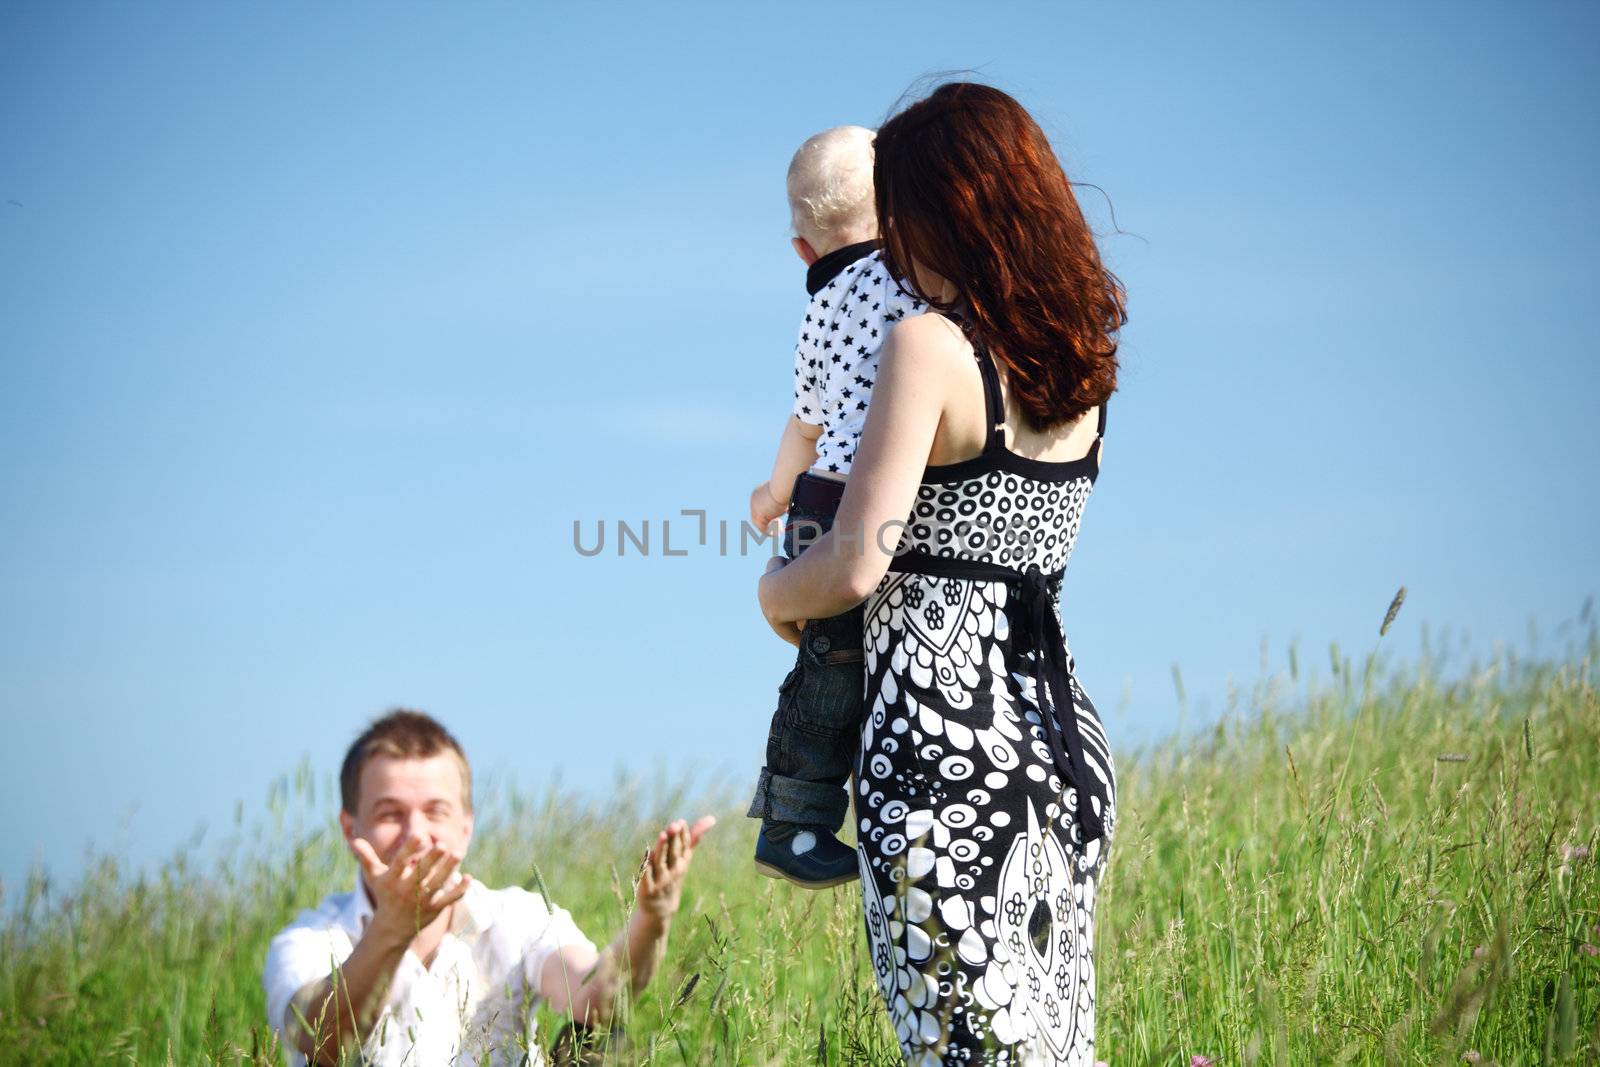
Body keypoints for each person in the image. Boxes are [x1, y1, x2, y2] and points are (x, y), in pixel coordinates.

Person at [756, 82, 1126, 1064]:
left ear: (945, 215)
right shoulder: (1080, 366)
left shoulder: (925, 347)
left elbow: (849, 564)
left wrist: (770, 593)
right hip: (1057, 735)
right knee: (1052, 1040)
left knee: (961, 1046)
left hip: (939, 741)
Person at [261, 709, 715, 1067]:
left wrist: (652, 919)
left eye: (435, 811)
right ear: (350, 827)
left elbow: (597, 1000)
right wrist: (391, 930)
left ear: (465, 827)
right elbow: (319, 1045)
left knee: (600, 1041)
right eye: (389, 814)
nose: (416, 835)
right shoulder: (311, 939)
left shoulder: (517, 918)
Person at [745, 124, 923, 887]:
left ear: (802, 251)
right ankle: (796, 818)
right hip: (887, 485)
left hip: (822, 494)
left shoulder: (819, 311)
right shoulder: (916, 278)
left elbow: (805, 422)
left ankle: (797, 816)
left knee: (828, 665)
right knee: (856, 660)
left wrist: (774, 492)